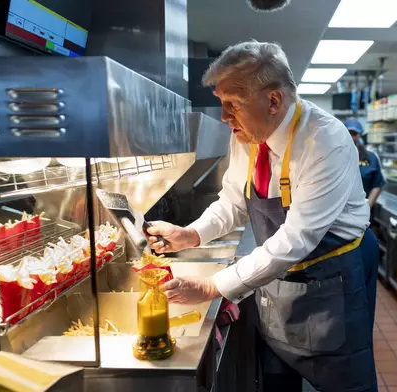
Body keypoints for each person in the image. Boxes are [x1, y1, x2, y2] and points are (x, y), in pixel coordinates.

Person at [146, 41, 379, 392]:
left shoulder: (324, 139)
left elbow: (298, 238)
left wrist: (212, 286)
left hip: (333, 275)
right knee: (275, 377)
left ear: (273, 101)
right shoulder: (248, 135)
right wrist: (191, 235)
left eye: (232, 105)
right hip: (279, 275)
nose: (224, 117)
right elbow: (233, 200)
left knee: (342, 380)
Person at [344, 119, 386, 209]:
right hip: (339, 213)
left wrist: (366, 209)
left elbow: (378, 184)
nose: (351, 137)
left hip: (362, 211)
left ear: (359, 135)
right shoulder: (335, 155)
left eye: (354, 134)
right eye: (348, 133)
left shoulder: (371, 157)